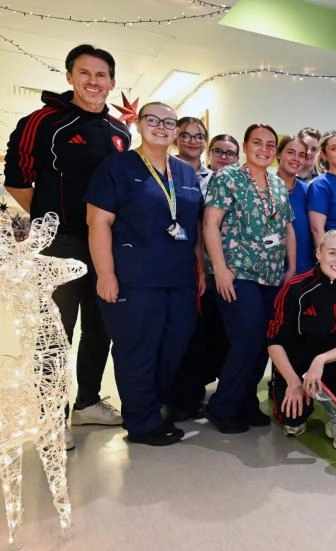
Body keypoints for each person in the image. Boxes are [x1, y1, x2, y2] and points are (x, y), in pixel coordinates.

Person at [3, 44, 129, 447]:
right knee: (56, 333)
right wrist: (50, 220)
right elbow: (17, 181)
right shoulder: (41, 122)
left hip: (105, 246)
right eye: (85, 73)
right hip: (61, 243)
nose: (94, 82)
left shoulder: (120, 133)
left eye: (102, 75)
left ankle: (88, 402)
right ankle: (50, 416)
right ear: (70, 76)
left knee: (99, 328)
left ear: (111, 82)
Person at [85, 102, 202, 446]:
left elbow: (190, 225)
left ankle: (151, 405)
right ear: (138, 124)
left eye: (169, 122)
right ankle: (141, 422)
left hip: (179, 279)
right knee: (137, 349)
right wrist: (105, 274)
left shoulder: (185, 172)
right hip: (134, 278)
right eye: (153, 120)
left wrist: (199, 270)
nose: (162, 127)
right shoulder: (116, 168)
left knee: (174, 345)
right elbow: (98, 223)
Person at [203, 123, 296, 434]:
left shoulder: (278, 183)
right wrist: (220, 269)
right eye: (258, 143)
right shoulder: (228, 176)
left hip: (271, 274)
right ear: (245, 145)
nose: (265, 149)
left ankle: (246, 402)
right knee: (247, 339)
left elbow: (287, 228)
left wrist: (291, 268)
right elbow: (211, 224)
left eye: (271, 145)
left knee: (265, 341)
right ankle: (222, 405)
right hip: (237, 271)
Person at [267, 230, 336, 450]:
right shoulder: (296, 286)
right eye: (332, 253)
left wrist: (321, 360)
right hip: (298, 360)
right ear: (318, 253)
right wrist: (293, 381)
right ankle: (279, 385)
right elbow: (274, 340)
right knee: (292, 421)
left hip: (333, 360)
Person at [163, 132, 239, 422]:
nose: (224, 156)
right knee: (193, 336)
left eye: (230, 153)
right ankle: (183, 396)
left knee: (222, 338)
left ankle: (216, 391)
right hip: (200, 270)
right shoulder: (195, 181)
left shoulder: (241, 183)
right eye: (219, 151)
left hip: (231, 273)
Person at [277, 135, 314, 273]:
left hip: (305, 270)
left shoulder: (309, 191)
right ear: (278, 154)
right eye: (290, 152)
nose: (296, 159)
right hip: (272, 271)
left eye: (301, 155)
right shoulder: (265, 188)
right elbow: (262, 235)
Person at [174, 116, 212, 188]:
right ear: (175, 139)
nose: (193, 142)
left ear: (206, 142)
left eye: (200, 137)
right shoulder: (163, 172)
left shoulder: (213, 178)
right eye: (185, 136)